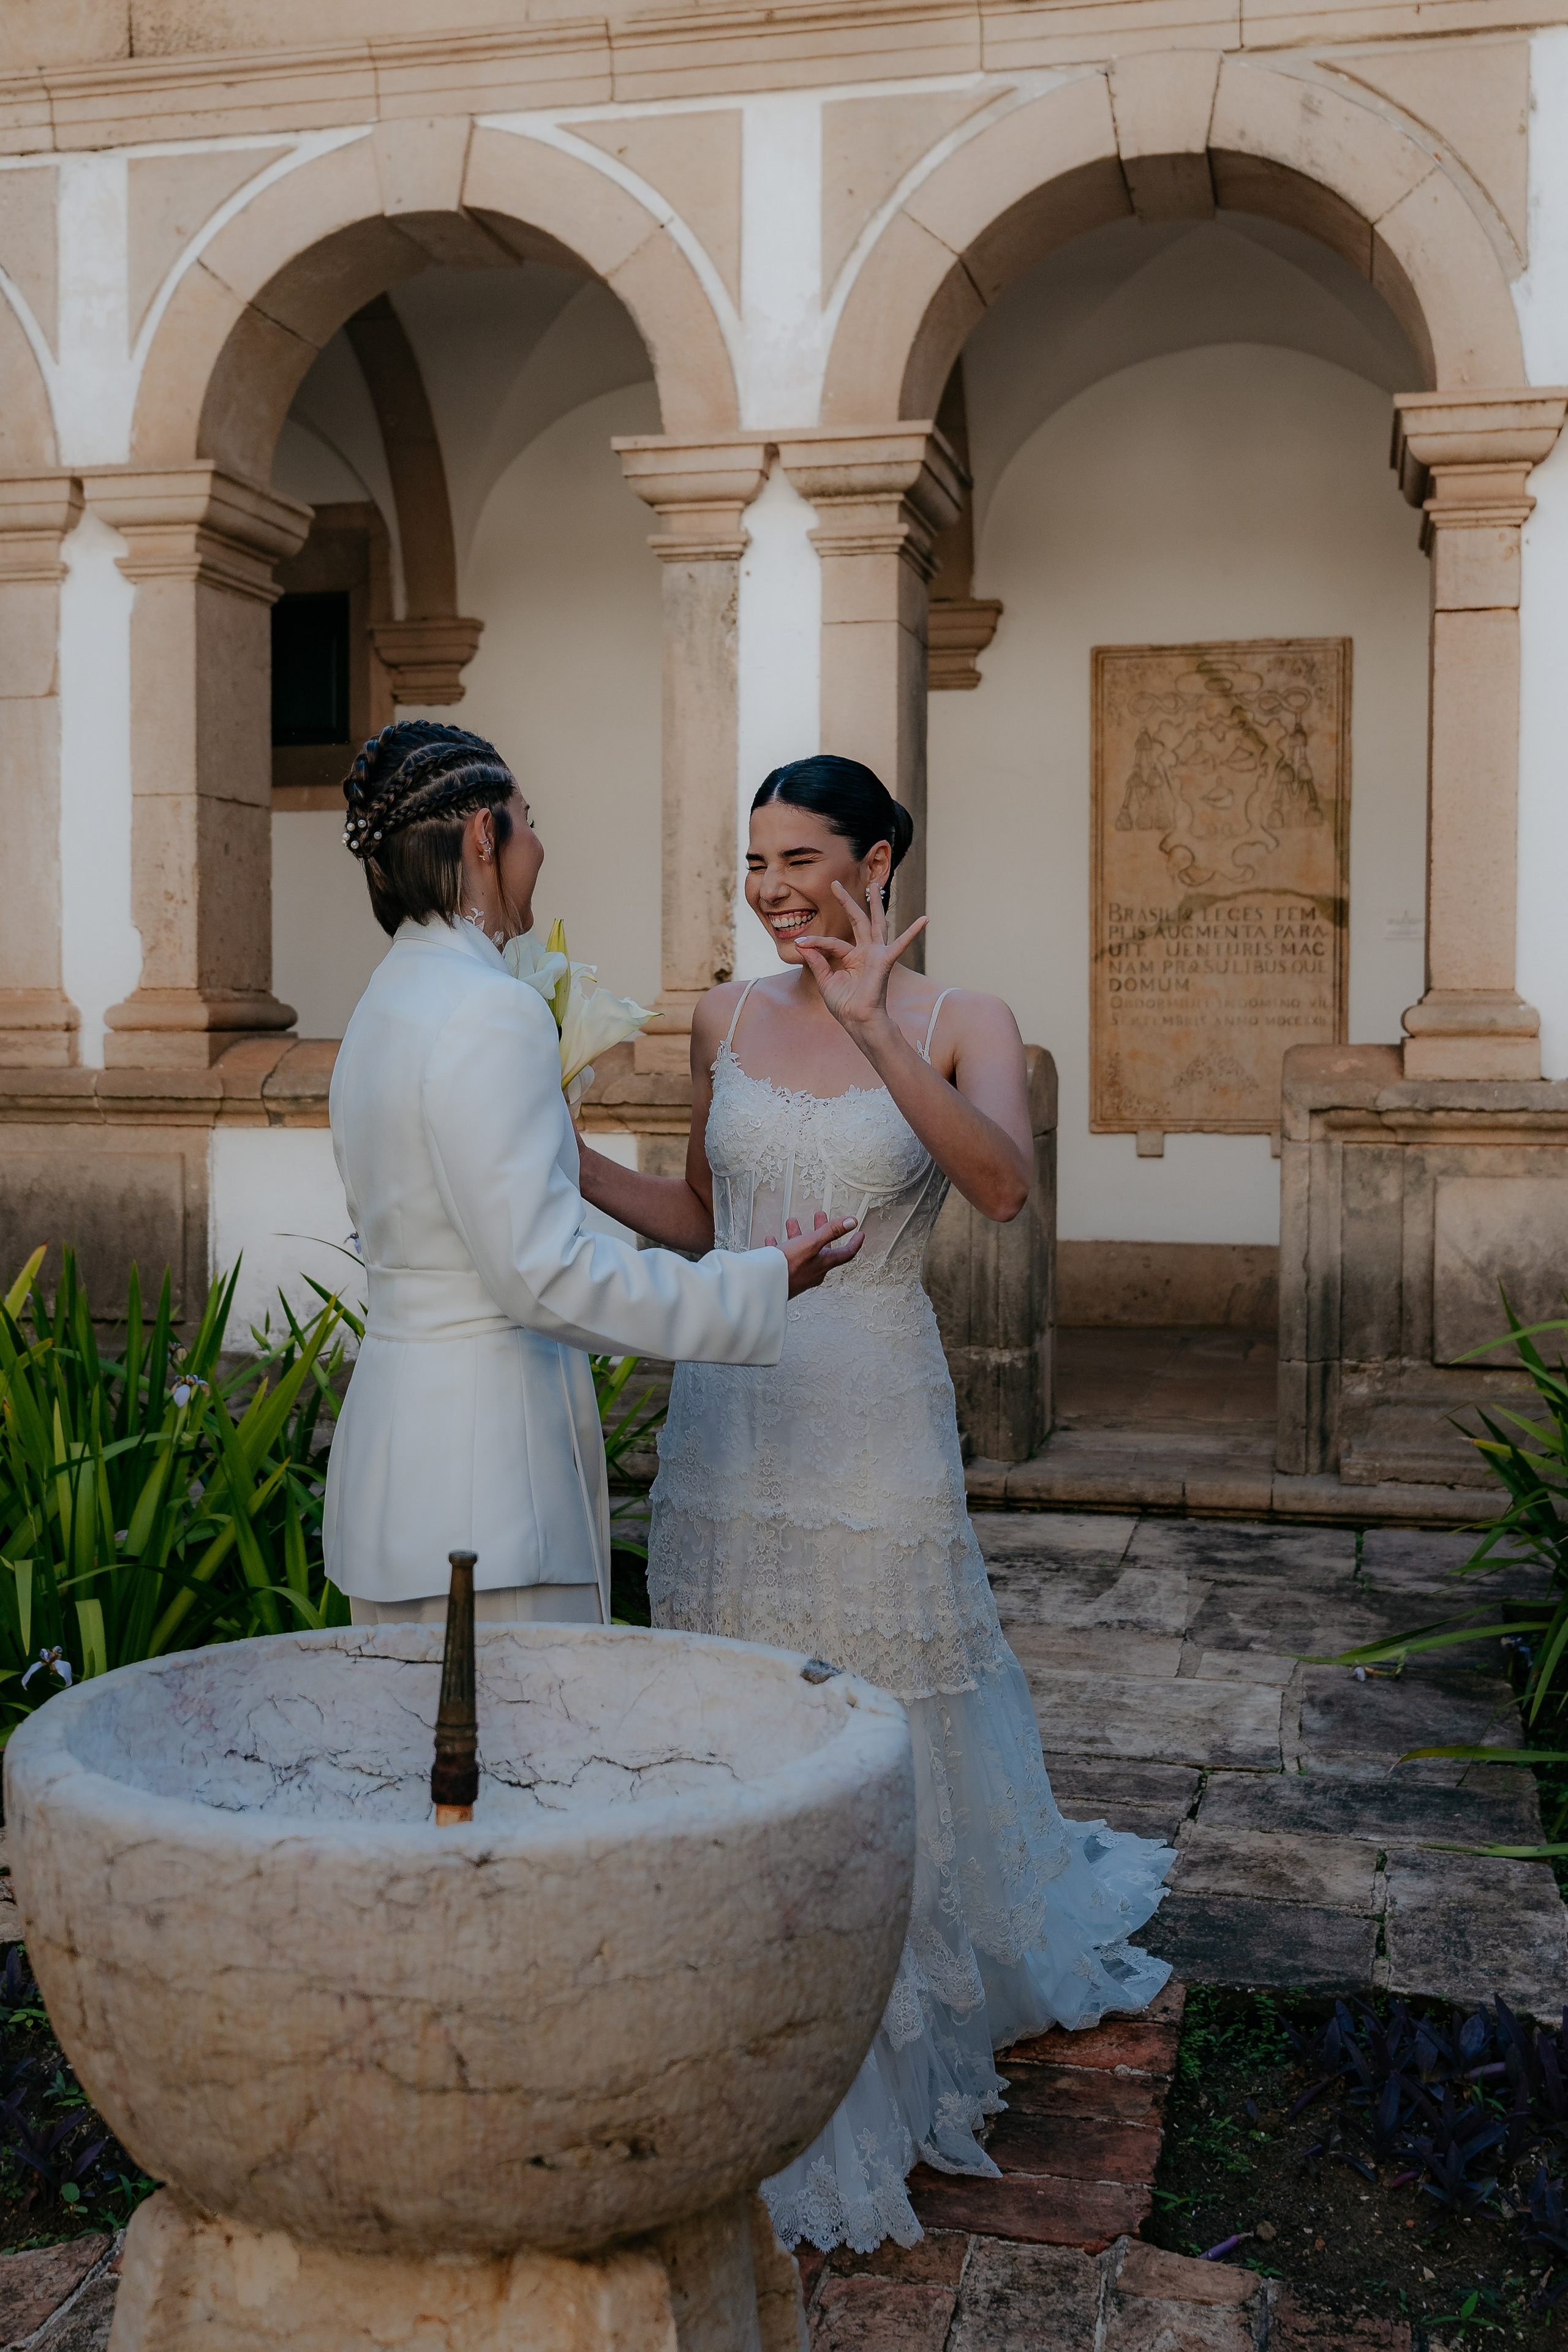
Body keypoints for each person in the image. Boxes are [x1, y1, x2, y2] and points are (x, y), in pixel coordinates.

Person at [576, 753, 1173, 2253]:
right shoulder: (719, 1013)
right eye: (754, 865)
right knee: (739, 1713)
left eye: (801, 860)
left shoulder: (964, 1018)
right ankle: (747, 1994)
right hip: (731, 1409)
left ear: (880, 857)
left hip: (871, 1419)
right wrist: (556, 1162)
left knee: (881, 1711)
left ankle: (879, 2045)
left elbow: (999, 1190)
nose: (773, 891)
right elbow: (704, 1227)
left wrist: (870, 1031)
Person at [323, 722, 862, 1627]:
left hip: (393, 1476)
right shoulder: (492, 1011)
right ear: (482, 838)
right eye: (528, 822)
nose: (540, 845)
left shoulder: (384, 1001)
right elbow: (544, 1275)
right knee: (522, 1758)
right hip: (490, 1499)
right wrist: (757, 1284)